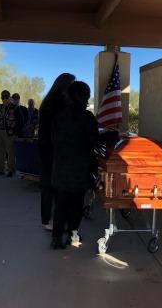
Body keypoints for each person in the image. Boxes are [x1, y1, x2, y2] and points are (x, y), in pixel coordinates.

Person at [50, 80, 99, 249]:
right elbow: (94, 141)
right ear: (80, 97)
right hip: (79, 169)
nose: (87, 100)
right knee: (76, 205)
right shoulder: (87, 118)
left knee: (61, 205)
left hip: (61, 168)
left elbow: (53, 141)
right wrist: (112, 135)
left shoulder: (59, 116)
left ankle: (56, 238)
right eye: (86, 95)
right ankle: (72, 234)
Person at [38, 73, 75, 231]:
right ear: (64, 87)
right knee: (54, 186)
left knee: (49, 186)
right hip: (54, 150)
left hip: (47, 149)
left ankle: (48, 219)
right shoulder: (59, 105)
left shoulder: (47, 103)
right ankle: (50, 220)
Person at [0, 90, 24, 177]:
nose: (4, 99)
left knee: (10, 152)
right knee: (0, 152)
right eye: (2, 97)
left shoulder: (15, 107)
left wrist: (16, 133)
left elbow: (20, 121)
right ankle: (0, 170)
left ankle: (11, 170)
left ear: (9, 97)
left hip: (10, 133)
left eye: (6, 97)